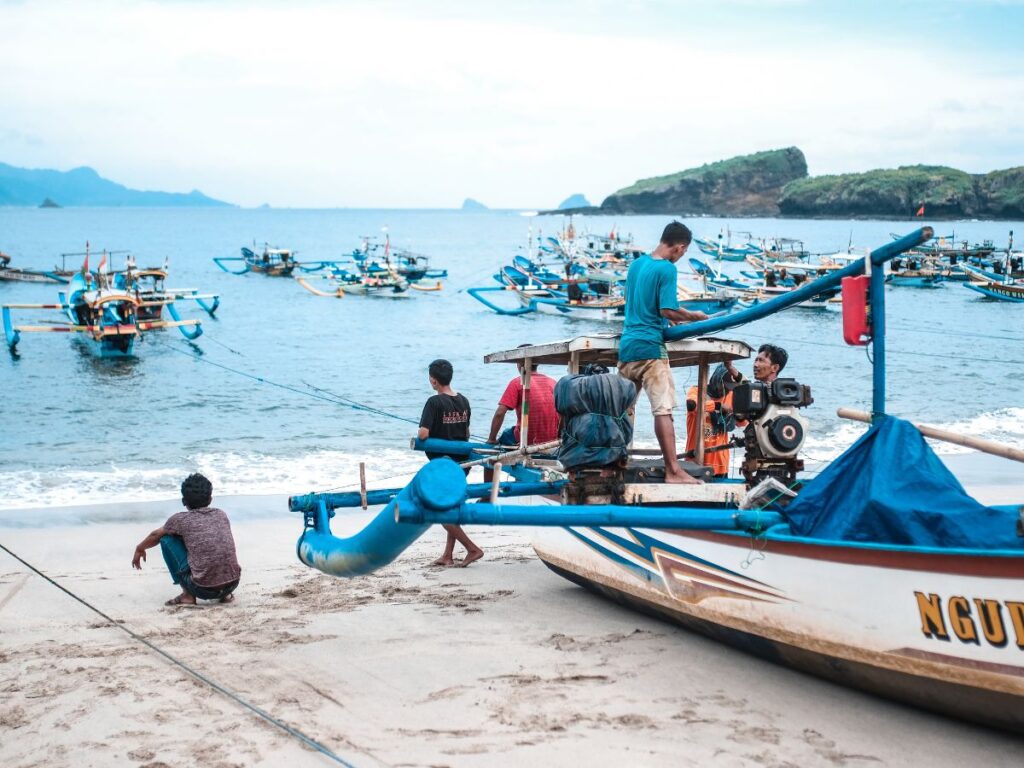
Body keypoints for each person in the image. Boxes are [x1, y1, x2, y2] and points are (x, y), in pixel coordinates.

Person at [617, 221, 709, 484]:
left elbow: (641, 305)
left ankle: (613, 462)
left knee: (621, 410)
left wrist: (669, 320)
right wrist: (693, 317)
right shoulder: (666, 269)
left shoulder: (636, 265)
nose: (681, 257)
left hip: (627, 348)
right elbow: (667, 309)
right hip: (650, 350)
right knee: (663, 410)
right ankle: (673, 470)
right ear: (680, 247)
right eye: (684, 252)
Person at [131, 473, 241, 606]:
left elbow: (155, 535)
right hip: (233, 583)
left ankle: (188, 595)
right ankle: (225, 595)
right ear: (210, 499)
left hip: (203, 589)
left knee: (166, 539)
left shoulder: (180, 520)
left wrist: (139, 548)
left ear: (184, 501)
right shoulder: (221, 514)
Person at [417, 359, 484, 567]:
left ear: (433, 381)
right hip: (462, 465)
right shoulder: (463, 400)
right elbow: (467, 433)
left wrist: (422, 435)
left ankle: (472, 549)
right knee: (452, 506)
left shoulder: (434, 402)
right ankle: (447, 555)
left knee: (439, 510)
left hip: (443, 466)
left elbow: (423, 434)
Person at [484, 346, 559, 482]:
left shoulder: (518, 382)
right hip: (552, 442)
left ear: (519, 364)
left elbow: (500, 413)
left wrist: (491, 438)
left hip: (526, 441)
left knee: (491, 454)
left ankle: (486, 495)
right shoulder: (553, 383)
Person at [685, 364, 735, 478]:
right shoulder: (696, 390)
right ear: (717, 380)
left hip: (720, 463)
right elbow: (692, 406)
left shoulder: (731, 395)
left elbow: (742, 423)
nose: (726, 391)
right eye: (725, 387)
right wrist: (718, 406)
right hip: (695, 460)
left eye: (729, 388)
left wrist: (737, 414)